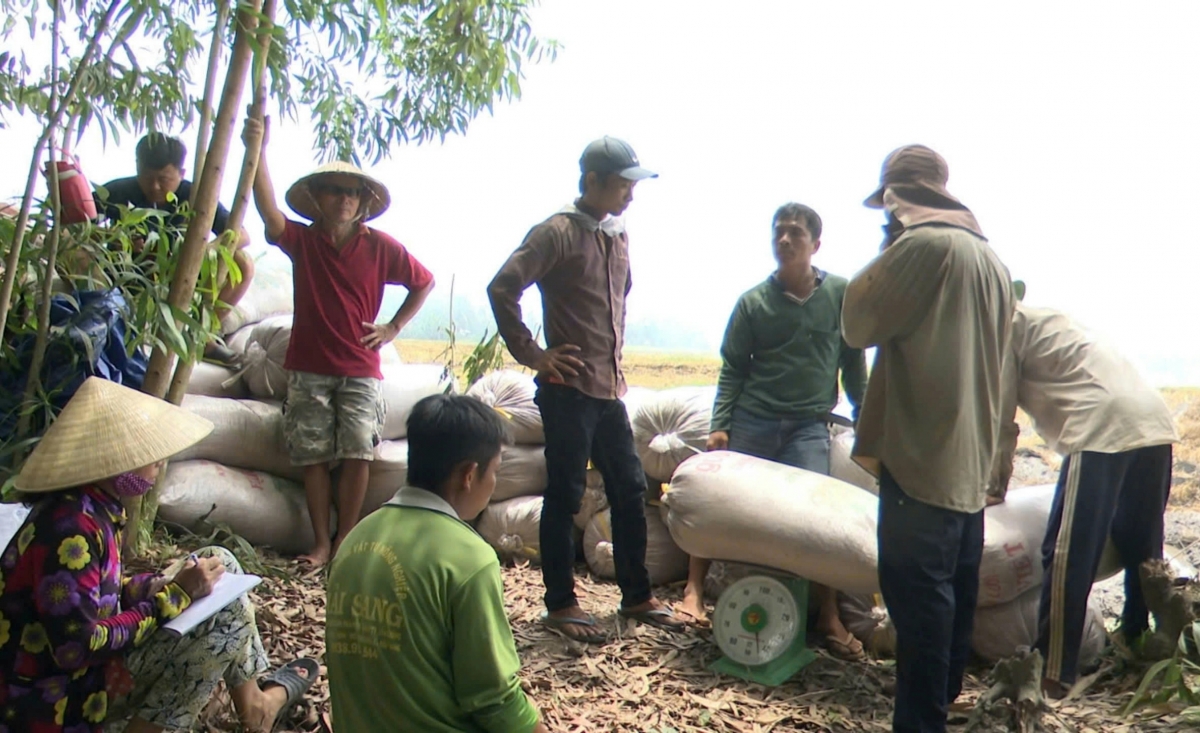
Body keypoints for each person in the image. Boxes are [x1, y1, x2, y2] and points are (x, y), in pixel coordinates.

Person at [0, 376, 318, 733]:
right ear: (117, 461)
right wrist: (174, 597)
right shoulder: (71, 530)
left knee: (220, 560)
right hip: (54, 700)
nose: (159, 463)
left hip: (72, 674)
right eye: (148, 454)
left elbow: (96, 596)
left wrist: (152, 587)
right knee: (225, 618)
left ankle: (254, 705)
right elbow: (78, 646)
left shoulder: (91, 508)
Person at [842, 145, 1015, 733]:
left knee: (918, 604)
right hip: (968, 462)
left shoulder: (921, 247)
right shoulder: (988, 257)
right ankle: (939, 702)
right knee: (952, 597)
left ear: (897, 200)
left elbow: (858, 322)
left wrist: (891, 241)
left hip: (923, 458)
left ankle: (920, 724)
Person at [487, 136, 685, 643]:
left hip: (608, 392)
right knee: (565, 493)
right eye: (622, 185)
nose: (629, 196)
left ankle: (636, 595)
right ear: (592, 182)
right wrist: (534, 354)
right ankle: (560, 603)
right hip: (567, 390)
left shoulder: (617, 236)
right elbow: (503, 286)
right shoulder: (556, 232)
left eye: (632, 186)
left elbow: (621, 295)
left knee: (632, 488)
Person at [678, 202, 868, 659]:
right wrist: (720, 426)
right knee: (717, 501)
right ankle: (692, 591)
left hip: (807, 425)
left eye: (795, 234)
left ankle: (828, 614)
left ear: (815, 245)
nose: (784, 240)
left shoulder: (840, 295)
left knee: (818, 520)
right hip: (754, 419)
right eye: (778, 233)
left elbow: (852, 364)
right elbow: (732, 371)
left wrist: (868, 418)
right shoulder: (753, 303)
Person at [243, 116, 434, 566]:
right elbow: (268, 213)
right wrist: (258, 149)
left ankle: (345, 539)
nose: (344, 199)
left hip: (360, 368)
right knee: (311, 456)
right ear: (315, 198)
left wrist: (392, 328)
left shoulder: (381, 246)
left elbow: (422, 282)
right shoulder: (303, 241)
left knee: (357, 454)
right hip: (308, 365)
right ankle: (321, 543)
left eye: (351, 192)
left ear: (363, 202)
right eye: (334, 190)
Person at [325, 394, 550, 733]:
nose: (493, 485)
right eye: (496, 472)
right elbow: (493, 700)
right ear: (469, 475)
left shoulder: (355, 540)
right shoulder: (468, 558)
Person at [988, 302, 1178, 698]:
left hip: (1100, 422)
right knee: (1141, 545)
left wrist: (993, 486)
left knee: (1066, 553)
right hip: (1154, 420)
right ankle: (1141, 643)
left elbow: (1001, 421)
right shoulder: (1051, 319)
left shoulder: (1000, 330)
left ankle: (1055, 672)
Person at [94, 133, 255, 366]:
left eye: (164, 178)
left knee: (242, 262)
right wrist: (118, 238)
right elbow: (77, 227)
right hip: (128, 277)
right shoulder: (117, 191)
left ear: (182, 174)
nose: (155, 186)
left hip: (180, 274)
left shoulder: (197, 195)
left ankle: (202, 336)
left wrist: (202, 250)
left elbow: (242, 234)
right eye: (147, 177)